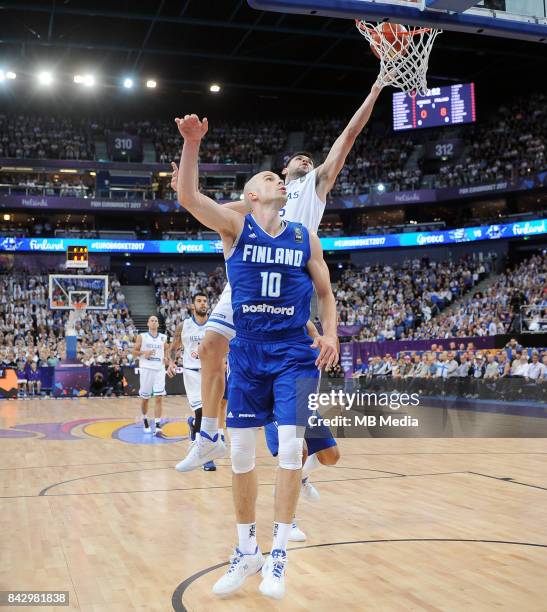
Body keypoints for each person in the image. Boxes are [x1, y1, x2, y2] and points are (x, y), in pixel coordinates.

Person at [174, 77, 384, 474]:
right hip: (249, 281)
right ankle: (208, 436)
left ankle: (294, 474)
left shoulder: (312, 189)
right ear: (278, 175)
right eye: (298, 160)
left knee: (294, 424)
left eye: (310, 158)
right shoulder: (260, 199)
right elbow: (202, 204)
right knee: (209, 347)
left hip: (287, 289)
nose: (306, 160)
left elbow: (349, 136)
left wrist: (373, 91)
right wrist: (186, 170)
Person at [175, 114, 338, 600]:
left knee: (290, 450)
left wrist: (329, 333)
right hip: (247, 353)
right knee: (242, 455)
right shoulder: (236, 226)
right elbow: (188, 197)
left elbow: (326, 293)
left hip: (292, 353)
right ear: (251, 195)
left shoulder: (305, 237)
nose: (275, 179)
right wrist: (191, 144)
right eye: (267, 177)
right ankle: (247, 550)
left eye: (277, 176)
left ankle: (279, 553)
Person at [168, 293, 217, 471]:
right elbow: (173, 349)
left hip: (211, 372)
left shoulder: (214, 324)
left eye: (205, 301)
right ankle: (204, 456)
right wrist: (172, 362)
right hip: (192, 373)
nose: (203, 303)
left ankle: (197, 434)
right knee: (201, 412)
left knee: (210, 413)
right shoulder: (184, 326)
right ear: (192, 305)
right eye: (199, 301)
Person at [133, 315, 169, 435]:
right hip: (146, 369)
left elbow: (167, 351)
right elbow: (134, 352)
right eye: (152, 320)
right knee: (145, 398)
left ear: (158, 324)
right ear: (148, 323)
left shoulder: (164, 337)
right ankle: (144, 418)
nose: (154, 322)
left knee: (159, 397)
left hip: (159, 369)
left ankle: (158, 425)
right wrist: (144, 353)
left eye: (156, 321)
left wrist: (167, 358)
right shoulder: (142, 336)